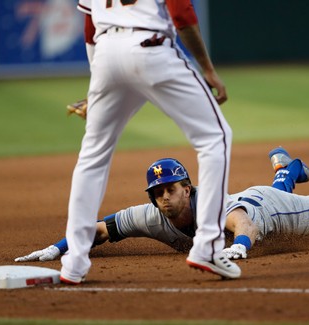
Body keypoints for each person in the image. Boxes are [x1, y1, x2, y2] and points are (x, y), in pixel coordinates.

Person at [16, 125, 309, 273]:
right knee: (272, 190)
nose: (163, 198)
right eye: (157, 193)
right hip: (249, 196)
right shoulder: (151, 215)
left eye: (170, 189)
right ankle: (284, 170)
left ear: (187, 189)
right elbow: (100, 229)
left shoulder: (212, 207)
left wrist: (240, 246)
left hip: (266, 209)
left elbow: (243, 223)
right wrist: (57, 247)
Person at [60, 0, 238, 283]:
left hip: (105, 54)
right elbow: (181, 12)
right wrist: (207, 68)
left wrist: (97, 86)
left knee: (92, 157)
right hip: (150, 47)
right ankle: (208, 246)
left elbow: (89, 25)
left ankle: (74, 264)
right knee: (215, 138)